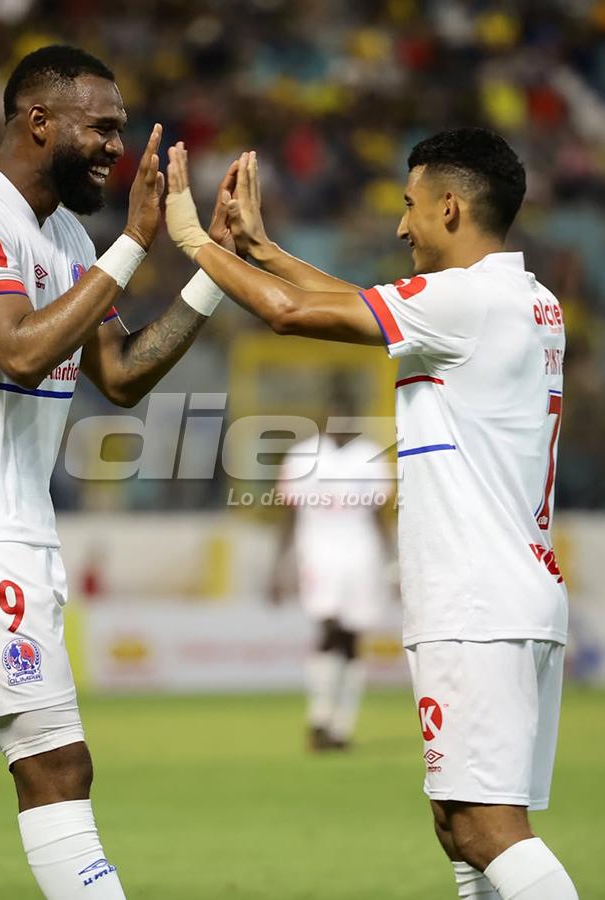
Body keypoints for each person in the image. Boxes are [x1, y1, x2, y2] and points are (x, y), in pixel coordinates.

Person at [0, 46, 236, 900]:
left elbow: (125, 374)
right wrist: (135, 242)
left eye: (121, 130)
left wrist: (209, 272)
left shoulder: (64, 234)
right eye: (102, 127)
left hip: (3, 535)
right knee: (60, 764)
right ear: (39, 121)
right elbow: (22, 352)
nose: (117, 146)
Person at [163, 131, 578, 899]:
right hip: (509, 591)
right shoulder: (528, 300)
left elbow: (290, 315)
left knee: (488, 828)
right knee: (460, 826)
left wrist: (192, 240)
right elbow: (340, 301)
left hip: (474, 603)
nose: (399, 227)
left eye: (410, 206)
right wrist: (263, 248)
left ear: (451, 207)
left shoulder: (464, 301)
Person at [272, 380, 393, 751]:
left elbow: (378, 514)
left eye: (349, 416)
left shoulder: (372, 456)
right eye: (336, 415)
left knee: (354, 636)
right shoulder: (302, 457)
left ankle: (341, 726)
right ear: (325, 417)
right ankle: (320, 718)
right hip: (319, 552)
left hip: (362, 554)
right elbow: (288, 516)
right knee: (328, 627)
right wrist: (278, 566)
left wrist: (393, 562)